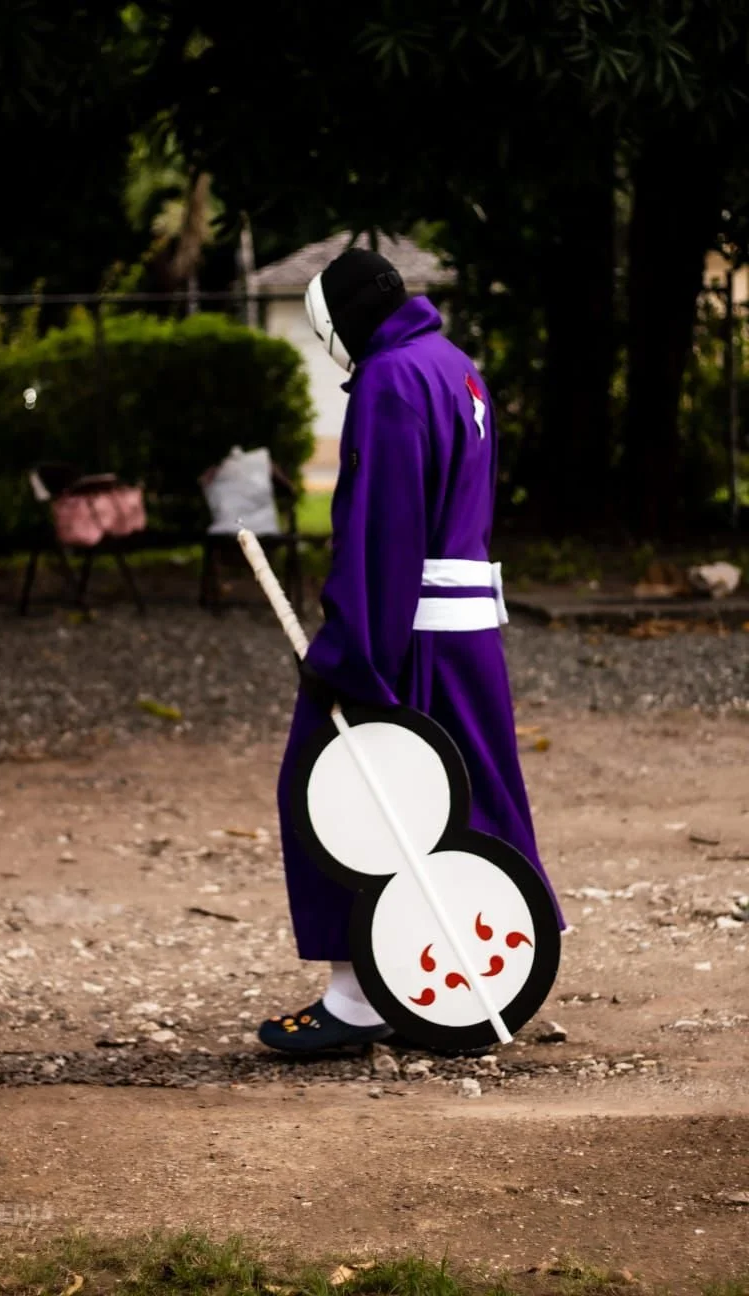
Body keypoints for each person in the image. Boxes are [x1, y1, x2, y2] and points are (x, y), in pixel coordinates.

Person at [258, 247, 563, 1052]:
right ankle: (490, 967)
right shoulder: (454, 365)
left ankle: (357, 997)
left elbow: (382, 530)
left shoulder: (391, 379)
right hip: (465, 635)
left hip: (407, 636)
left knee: (335, 793)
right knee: (472, 802)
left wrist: (350, 653)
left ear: (338, 323)